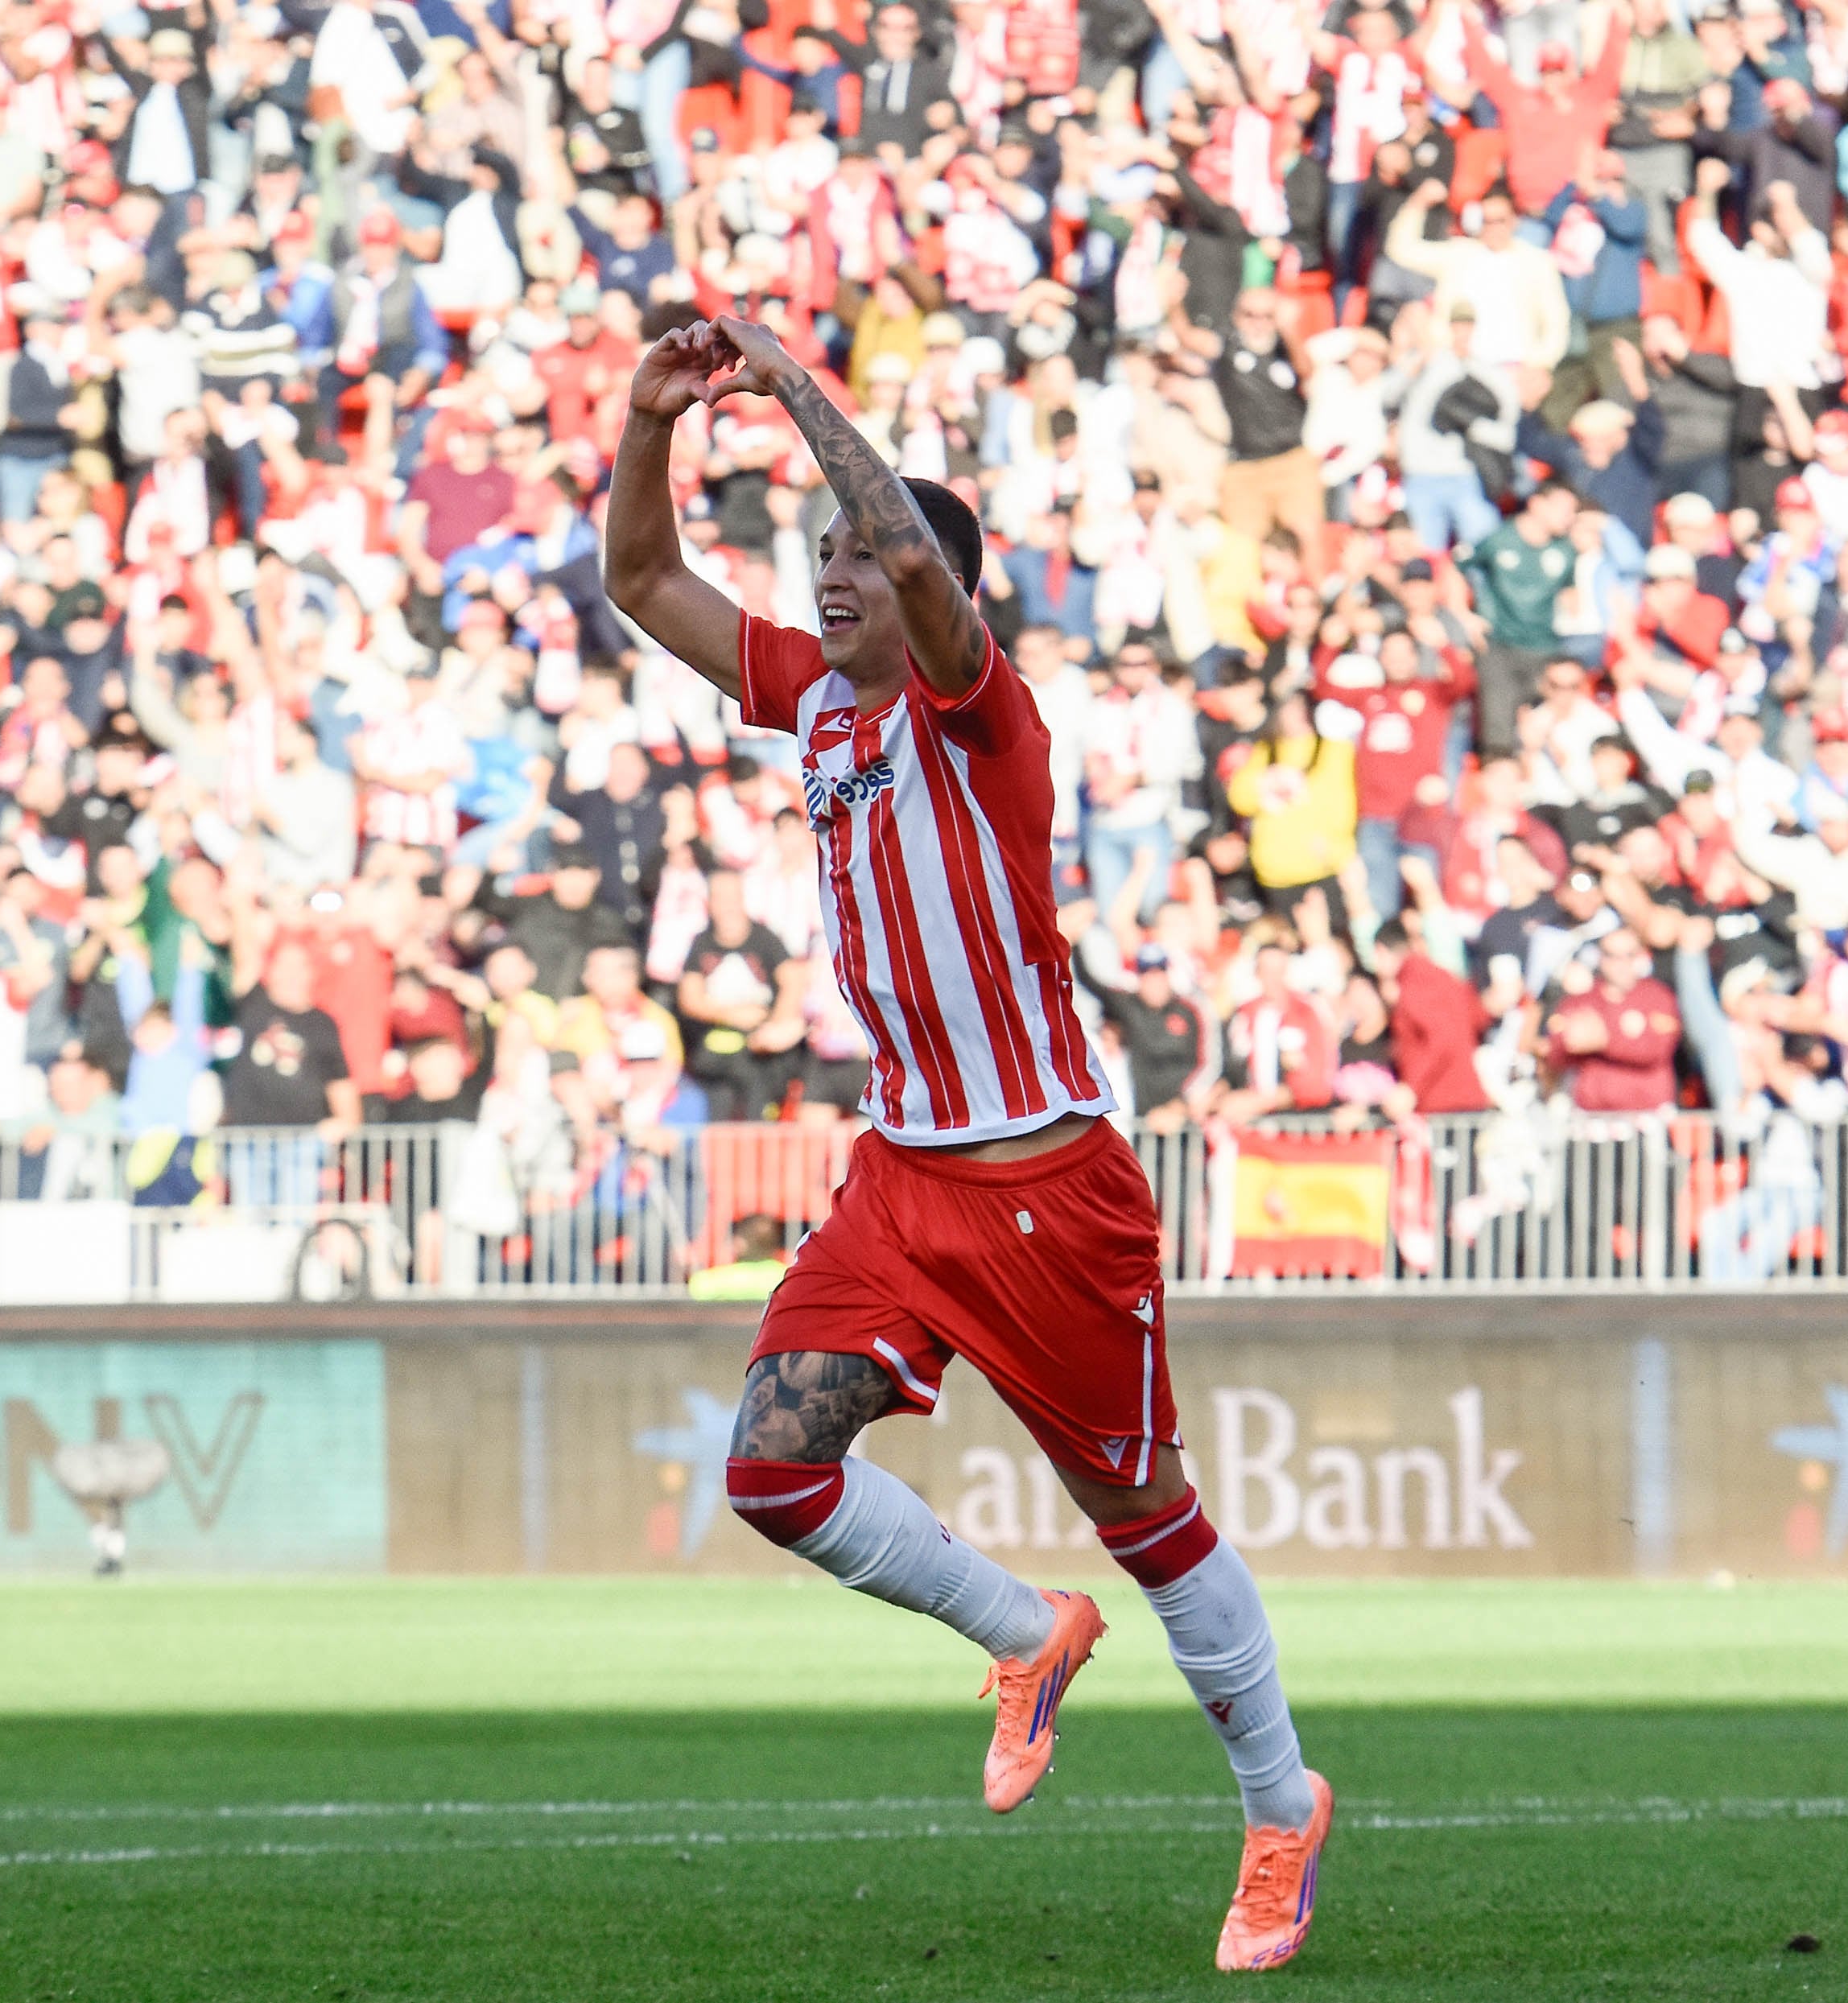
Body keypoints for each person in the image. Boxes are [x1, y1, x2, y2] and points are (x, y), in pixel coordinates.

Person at [604, 315, 1329, 1973]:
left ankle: (1281, 1803)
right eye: (819, 553)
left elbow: (925, 572)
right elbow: (643, 582)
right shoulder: (813, 700)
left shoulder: (974, 710)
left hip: (1045, 1189)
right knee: (770, 1469)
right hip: (902, 1176)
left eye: (861, 548)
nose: (834, 571)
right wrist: (648, 423)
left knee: (1148, 1516)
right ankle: (1023, 1630)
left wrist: (795, 391)